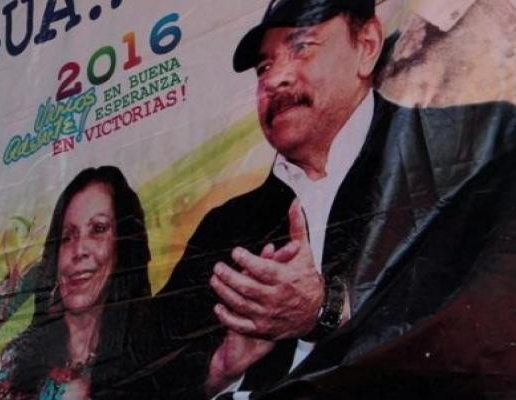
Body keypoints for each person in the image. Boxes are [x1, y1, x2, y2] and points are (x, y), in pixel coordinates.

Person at [128, 0, 516, 398]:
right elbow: (140, 380)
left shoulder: (469, 149)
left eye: (301, 47)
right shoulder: (227, 227)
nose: (275, 78)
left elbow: (484, 316)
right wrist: (220, 368)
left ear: (366, 46)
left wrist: (324, 309)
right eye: (264, 67)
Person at [0, 166, 152, 399]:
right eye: (67, 236)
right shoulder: (21, 357)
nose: (79, 250)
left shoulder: (148, 355)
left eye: (98, 229)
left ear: (124, 246)